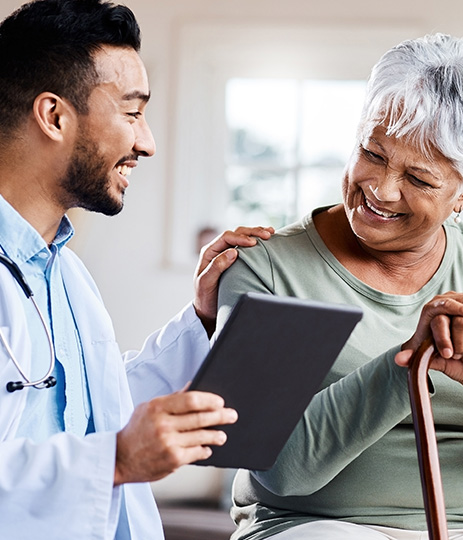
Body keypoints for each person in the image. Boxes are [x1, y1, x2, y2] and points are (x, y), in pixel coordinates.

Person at [0, 1, 274, 539]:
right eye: (132, 113)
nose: (146, 143)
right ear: (54, 116)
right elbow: (104, 447)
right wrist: (116, 461)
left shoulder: (67, 277)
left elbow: (95, 410)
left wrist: (201, 317)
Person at [217, 33, 463, 540]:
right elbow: (279, 469)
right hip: (312, 525)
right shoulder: (269, 271)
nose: (381, 188)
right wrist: (410, 363)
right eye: (372, 153)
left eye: (418, 179)